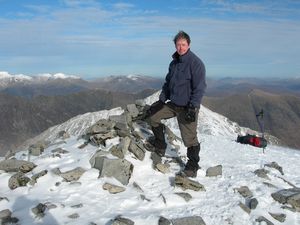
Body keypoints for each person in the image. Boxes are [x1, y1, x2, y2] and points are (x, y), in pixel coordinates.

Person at [145, 31, 206, 177]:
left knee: (189, 139)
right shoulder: (174, 63)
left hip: (187, 107)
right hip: (173, 103)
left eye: (183, 44)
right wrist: (161, 100)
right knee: (153, 117)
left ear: (189, 45)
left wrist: (193, 106)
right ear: (175, 45)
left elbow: (200, 87)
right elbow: (167, 83)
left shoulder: (196, 63)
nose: (181, 47)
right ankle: (160, 145)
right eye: (178, 44)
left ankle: (193, 165)